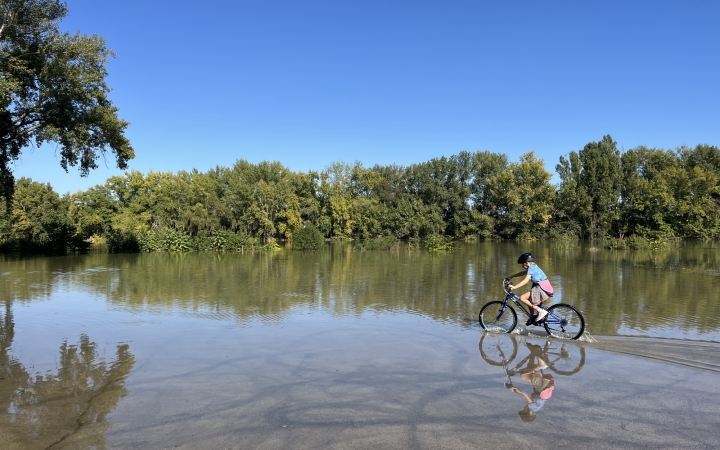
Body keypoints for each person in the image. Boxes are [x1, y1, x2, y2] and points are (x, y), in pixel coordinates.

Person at [507, 342, 556, 422]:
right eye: (524, 410)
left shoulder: (537, 408)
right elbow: (526, 395)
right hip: (542, 386)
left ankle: (535, 352)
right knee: (523, 376)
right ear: (528, 412)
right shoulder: (532, 407)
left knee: (530, 370)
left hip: (546, 385)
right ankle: (541, 363)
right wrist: (519, 392)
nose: (524, 408)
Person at [505, 252, 554, 325]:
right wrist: (511, 276)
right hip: (542, 287)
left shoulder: (531, 268)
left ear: (526, 263)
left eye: (522, 264)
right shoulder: (533, 267)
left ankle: (541, 311)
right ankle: (532, 316)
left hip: (541, 288)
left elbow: (525, 281)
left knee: (522, 298)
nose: (522, 266)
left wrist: (514, 287)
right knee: (528, 300)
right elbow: (522, 273)